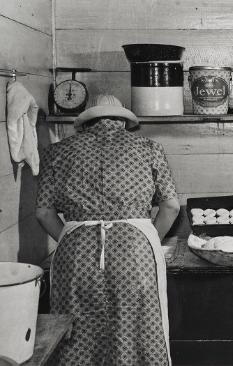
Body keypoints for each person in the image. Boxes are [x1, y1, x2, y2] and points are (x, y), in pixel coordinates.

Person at [35, 94, 180, 365]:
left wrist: (71, 237)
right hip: (135, 255)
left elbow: (43, 212)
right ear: (124, 122)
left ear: (88, 124)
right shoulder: (149, 148)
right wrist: (145, 239)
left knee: (76, 332)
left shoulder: (58, 151)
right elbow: (170, 206)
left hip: (76, 256)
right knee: (137, 329)